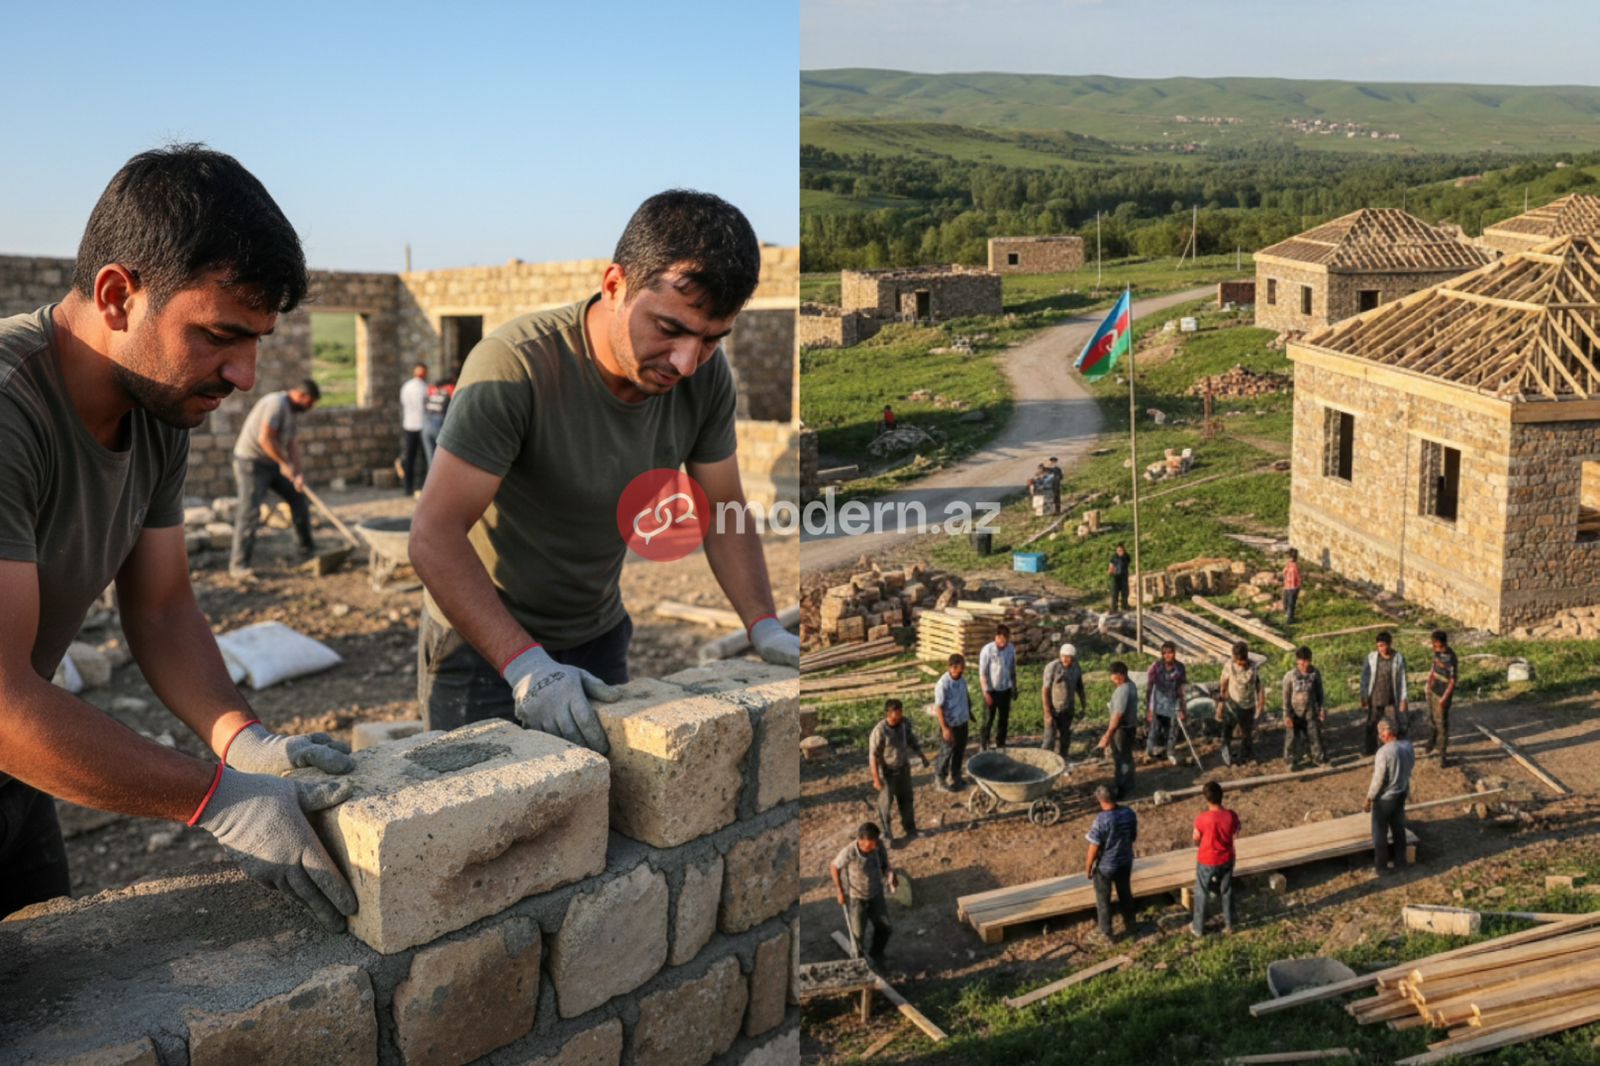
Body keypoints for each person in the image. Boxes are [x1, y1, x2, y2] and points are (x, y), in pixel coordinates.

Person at [0, 144, 356, 929]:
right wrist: (215, 798)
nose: (245, 375)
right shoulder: (9, 412)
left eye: (257, 340)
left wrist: (243, 743)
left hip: (18, 779)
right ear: (118, 294)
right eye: (220, 335)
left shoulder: (158, 406)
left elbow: (161, 609)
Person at [409, 190, 798, 747]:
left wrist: (762, 625)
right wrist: (524, 665)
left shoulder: (706, 380)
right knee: (476, 821)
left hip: (597, 635)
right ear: (615, 285)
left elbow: (722, 509)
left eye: (712, 339)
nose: (687, 362)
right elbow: (433, 536)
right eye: (669, 328)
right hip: (483, 643)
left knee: (599, 817)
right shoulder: (518, 366)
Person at [229, 379, 320, 578]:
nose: (309, 407)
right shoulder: (275, 404)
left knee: (298, 499)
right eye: (310, 402)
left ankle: (307, 550)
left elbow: (292, 444)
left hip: (273, 463)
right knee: (250, 512)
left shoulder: (293, 411)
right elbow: (265, 439)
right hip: (251, 463)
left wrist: (298, 472)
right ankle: (239, 566)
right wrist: (284, 464)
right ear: (300, 395)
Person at [831, 822, 896, 964]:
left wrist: (891, 875)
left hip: (876, 894)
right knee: (858, 935)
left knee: (885, 927)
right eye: (870, 845)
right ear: (860, 841)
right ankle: (859, 962)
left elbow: (885, 864)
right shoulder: (850, 852)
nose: (873, 847)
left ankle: (876, 955)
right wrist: (839, 890)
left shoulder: (878, 846)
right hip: (857, 898)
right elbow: (834, 866)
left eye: (875, 844)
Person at [1085, 784, 1139, 944]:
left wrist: (1088, 867)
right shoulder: (1129, 813)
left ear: (1100, 800)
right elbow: (1133, 836)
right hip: (1125, 862)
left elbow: (1093, 847)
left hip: (1105, 868)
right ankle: (1131, 925)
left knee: (1103, 900)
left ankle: (1106, 933)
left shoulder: (1101, 820)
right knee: (1125, 895)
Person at [870, 699, 928, 842]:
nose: (899, 717)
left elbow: (911, 740)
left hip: (903, 769)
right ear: (888, 714)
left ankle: (910, 829)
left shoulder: (904, 723)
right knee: (885, 804)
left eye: (900, 713)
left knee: (906, 800)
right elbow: (873, 756)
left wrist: (922, 756)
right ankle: (887, 833)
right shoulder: (880, 731)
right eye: (896, 715)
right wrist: (876, 779)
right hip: (888, 773)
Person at [1365, 718, 1414, 877]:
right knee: (1399, 829)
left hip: (1385, 799)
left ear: (1388, 732)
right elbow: (1411, 766)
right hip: (1401, 794)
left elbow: (1378, 779)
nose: (1379, 736)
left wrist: (1369, 798)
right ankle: (1401, 862)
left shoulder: (1384, 752)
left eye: (1381, 732)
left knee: (1379, 833)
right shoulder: (1408, 746)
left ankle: (1381, 868)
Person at [1191, 780, 1239, 937]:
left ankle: (1198, 927)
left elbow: (1196, 838)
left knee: (1201, 891)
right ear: (1221, 796)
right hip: (1226, 858)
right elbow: (1236, 831)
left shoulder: (1201, 819)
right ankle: (1231, 924)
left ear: (1206, 798)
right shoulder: (1231, 816)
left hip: (1206, 859)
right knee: (1227, 891)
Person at [1360, 631, 1409, 756]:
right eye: (1379, 646)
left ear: (1389, 644)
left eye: (1383, 645)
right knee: (1371, 724)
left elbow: (1402, 680)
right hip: (1375, 697)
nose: (1381, 649)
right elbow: (1364, 677)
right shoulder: (1372, 658)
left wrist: (1403, 699)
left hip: (1391, 698)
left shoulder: (1398, 658)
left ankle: (1392, 750)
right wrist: (1364, 695)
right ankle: (1370, 750)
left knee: (1393, 725)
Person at [1217, 641, 1264, 766]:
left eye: (1242, 661)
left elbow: (1259, 686)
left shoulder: (1253, 667)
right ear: (1234, 657)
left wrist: (1260, 705)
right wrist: (1221, 703)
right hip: (1232, 702)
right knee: (1227, 729)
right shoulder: (1229, 666)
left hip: (1248, 705)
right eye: (1238, 661)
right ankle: (1226, 752)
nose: (1240, 664)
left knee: (1246, 732)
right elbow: (1223, 684)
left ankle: (1244, 756)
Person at [1097, 661, 1139, 799]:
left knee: (1122, 758)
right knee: (1125, 756)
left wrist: (1107, 735)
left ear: (1122, 675)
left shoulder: (1123, 690)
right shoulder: (1131, 685)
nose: (1113, 681)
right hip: (1129, 726)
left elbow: (1118, 715)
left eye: (1115, 678)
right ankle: (1127, 784)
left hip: (1122, 729)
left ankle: (1123, 789)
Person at [1281, 646, 1327, 768]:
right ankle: (1290, 761)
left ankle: (1318, 758)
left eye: (1307, 661)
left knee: (1314, 736)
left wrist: (1322, 708)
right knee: (1291, 738)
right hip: (1294, 712)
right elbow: (1285, 697)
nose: (1305, 665)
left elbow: (1319, 692)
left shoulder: (1315, 673)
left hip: (1310, 710)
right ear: (1297, 661)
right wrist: (1286, 715)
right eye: (1302, 662)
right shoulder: (1290, 676)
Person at [933, 654, 972, 792]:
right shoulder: (943, 684)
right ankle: (940, 779)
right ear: (951, 667)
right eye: (959, 668)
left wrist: (969, 713)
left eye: (963, 668)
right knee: (946, 752)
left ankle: (956, 777)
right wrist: (945, 728)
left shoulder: (962, 680)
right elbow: (939, 708)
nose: (962, 671)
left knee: (959, 751)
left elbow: (965, 697)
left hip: (962, 722)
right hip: (950, 725)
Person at [1041, 642, 1086, 761]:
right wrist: (1047, 713)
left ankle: (1063, 759)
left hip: (1068, 708)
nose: (1067, 660)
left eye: (1070, 657)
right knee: (1049, 738)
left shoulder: (1076, 667)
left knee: (1065, 736)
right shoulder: (1052, 667)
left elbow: (1080, 687)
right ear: (1060, 656)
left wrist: (1083, 705)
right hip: (1053, 709)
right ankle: (1044, 761)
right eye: (1064, 657)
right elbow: (1045, 690)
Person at [1145, 641, 1187, 766]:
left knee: (1174, 728)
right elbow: (1150, 687)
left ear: (1174, 653)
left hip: (1174, 702)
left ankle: (1171, 752)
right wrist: (1149, 708)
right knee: (1154, 729)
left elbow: (1181, 688)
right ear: (1162, 654)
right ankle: (1149, 752)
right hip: (1158, 702)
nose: (1168, 655)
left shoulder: (1180, 668)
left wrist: (1182, 707)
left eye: (1171, 653)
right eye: (1166, 653)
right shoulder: (1156, 667)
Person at [977, 623, 1017, 750]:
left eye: (1007, 640)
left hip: (1005, 689)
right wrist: (986, 692)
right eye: (1002, 641)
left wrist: (1014, 687)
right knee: (988, 719)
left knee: (1003, 719)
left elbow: (1012, 669)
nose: (1004, 644)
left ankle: (1001, 742)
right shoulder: (987, 650)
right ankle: (984, 744)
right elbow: (982, 673)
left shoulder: (1011, 649)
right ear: (997, 637)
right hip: (991, 690)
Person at [1425, 629, 1457, 767]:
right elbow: (1433, 668)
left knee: (1441, 724)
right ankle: (1431, 743)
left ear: (1443, 644)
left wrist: (1444, 698)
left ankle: (1442, 756)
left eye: (1436, 645)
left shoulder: (1451, 658)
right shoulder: (1436, 653)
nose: (1434, 648)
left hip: (1442, 693)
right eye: (1433, 645)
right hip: (1432, 690)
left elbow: (1452, 681)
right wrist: (1428, 683)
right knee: (1432, 719)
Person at [399, 362, 429, 495]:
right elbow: (424, 408)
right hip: (421, 426)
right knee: (422, 458)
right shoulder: (425, 388)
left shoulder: (406, 386)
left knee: (409, 457)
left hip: (409, 425)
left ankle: (407, 488)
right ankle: (421, 487)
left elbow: (403, 402)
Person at [421, 374, 454, 470]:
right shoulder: (449, 390)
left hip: (426, 426)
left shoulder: (431, 391)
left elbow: (424, 406)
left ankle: (431, 484)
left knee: (430, 459)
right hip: (439, 425)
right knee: (443, 460)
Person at [1107, 543, 1131, 612]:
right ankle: (1114, 608)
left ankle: (1125, 606)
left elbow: (1127, 564)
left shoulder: (1126, 556)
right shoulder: (1114, 557)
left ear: (1124, 550)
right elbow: (1111, 566)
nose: (1120, 552)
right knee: (1114, 593)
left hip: (1124, 576)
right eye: (1118, 550)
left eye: (1121, 550)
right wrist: (1110, 571)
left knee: (1125, 592)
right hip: (1115, 577)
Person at [1282, 548, 1302, 625]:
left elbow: (1284, 573)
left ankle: (1289, 618)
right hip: (1291, 587)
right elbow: (1299, 576)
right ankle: (1289, 616)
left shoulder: (1292, 565)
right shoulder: (1293, 565)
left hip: (1291, 586)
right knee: (1289, 603)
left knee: (1289, 603)